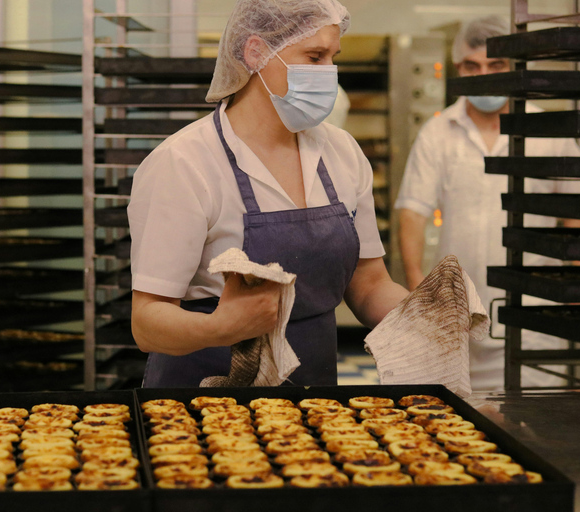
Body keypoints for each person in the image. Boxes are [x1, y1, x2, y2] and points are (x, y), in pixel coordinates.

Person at [127, 0, 409, 387]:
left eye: (333, 57)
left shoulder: (341, 151)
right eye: (314, 56)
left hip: (314, 394)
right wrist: (220, 328)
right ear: (256, 52)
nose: (329, 73)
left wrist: (421, 315)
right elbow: (147, 322)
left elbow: (369, 282)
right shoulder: (185, 162)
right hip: (203, 400)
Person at [395, 15, 580, 391]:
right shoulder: (437, 132)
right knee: (458, 422)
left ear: (514, 66)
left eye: (495, 64)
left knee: (533, 419)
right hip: (455, 322)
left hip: (533, 322)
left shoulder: (548, 133)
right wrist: (420, 295)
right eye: (472, 66)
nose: (484, 75)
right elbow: (412, 213)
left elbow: (576, 218)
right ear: (458, 68)